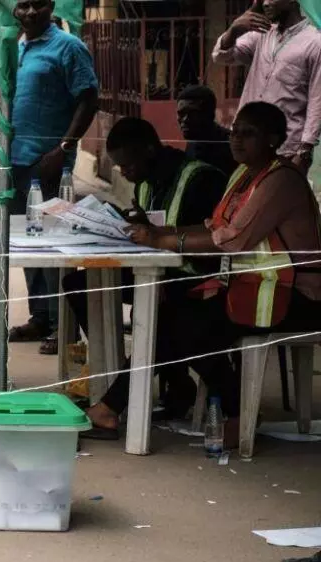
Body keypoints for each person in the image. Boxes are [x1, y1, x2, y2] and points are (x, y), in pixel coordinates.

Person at [119, 102, 320, 471]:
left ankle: (233, 411)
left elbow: (234, 239)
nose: (237, 140)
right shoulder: (244, 176)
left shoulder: (281, 179)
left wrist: (166, 242)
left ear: (274, 139)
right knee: (177, 314)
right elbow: (213, 226)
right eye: (234, 132)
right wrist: (164, 232)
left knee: (189, 322)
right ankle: (221, 405)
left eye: (249, 133)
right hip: (259, 289)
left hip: (300, 296)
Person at [61, 118, 224, 437]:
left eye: (128, 164)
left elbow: (208, 241)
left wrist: (160, 258)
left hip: (197, 278)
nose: (124, 172)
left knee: (161, 314)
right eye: (119, 166)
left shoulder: (200, 179)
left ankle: (111, 406)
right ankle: (165, 379)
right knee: (78, 285)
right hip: (153, 270)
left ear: (150, 149)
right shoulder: (148, 180)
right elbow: (150, 224)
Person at [7, 0, 99, 356]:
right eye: (23, 5)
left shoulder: (69, 46)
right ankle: (41, 316)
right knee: (28, 242)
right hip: (15, 161)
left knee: (55, 244)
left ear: (51, 6)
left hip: (49, 162)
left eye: (38, 4)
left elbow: (89, 99)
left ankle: (64, 325)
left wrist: (64, 146)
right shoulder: (14, 46)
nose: (30, 12)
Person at [213, 0, 321, 174]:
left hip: (286, 148)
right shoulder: (261, 34)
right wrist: (234, 30)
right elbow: (221, 57)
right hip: (249, 145)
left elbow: (318, 100)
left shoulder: (315, 41)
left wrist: (304, 150)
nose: (266, 3)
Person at [177, 84, 236, 175]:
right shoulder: (195, 140)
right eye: (181, 114)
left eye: (193, 113)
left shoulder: (231, 145)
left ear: (210, 115)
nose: (185, 119)